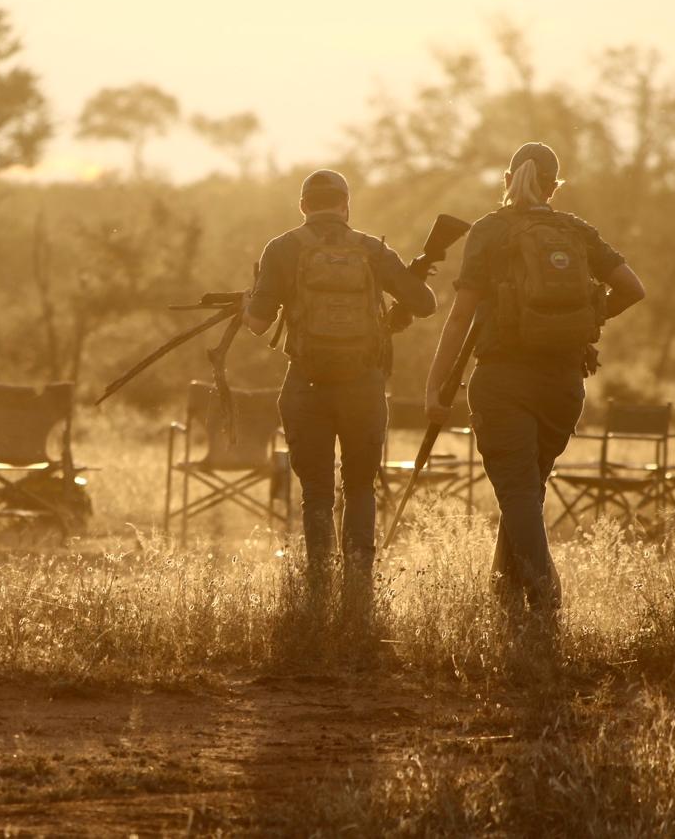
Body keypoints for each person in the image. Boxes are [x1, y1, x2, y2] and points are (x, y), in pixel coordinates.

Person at [423, 142, 645, 621]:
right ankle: (505, 604)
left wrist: (435, 385)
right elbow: (633, 287)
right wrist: (590, 316)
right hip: (564, 384)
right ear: (553, 185)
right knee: (525, 491)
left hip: (503, 381)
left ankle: (547, 607)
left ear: (508, 179)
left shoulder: (490, 231)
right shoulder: (576, 231)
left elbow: (461, 315)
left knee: (519, 493)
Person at [244, 169, 436, 620]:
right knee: (360, 486)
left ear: (304, 206)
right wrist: (404, 284)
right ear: (346, 206)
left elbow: (256, 323)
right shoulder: (370, 249)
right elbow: (426, 304)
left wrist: (249, 300)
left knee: (316, 491)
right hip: (364, 387)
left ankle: (318, 589)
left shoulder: (283, 248)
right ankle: (358, 593)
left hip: (305, 384)